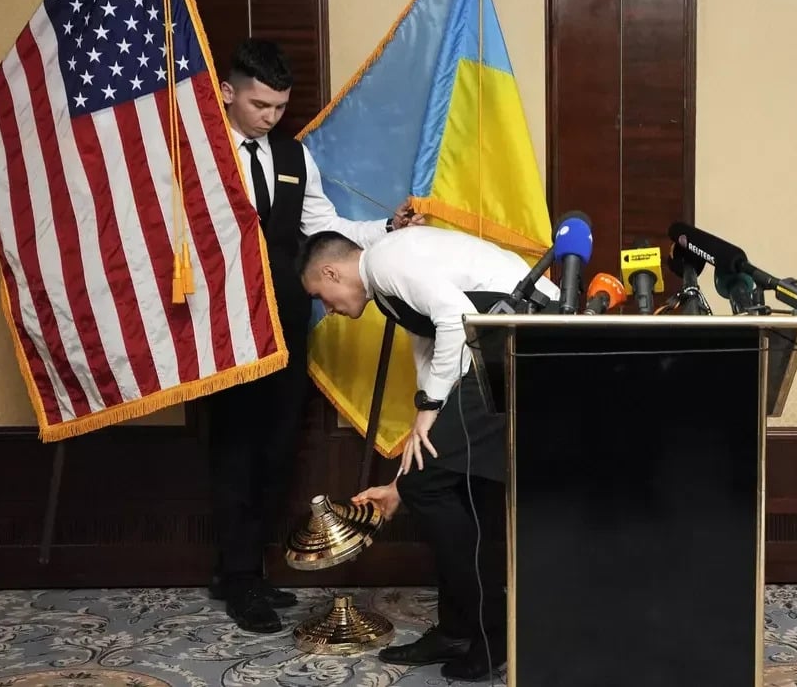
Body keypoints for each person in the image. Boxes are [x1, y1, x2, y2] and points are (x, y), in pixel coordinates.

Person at [207, 38, 422, 633]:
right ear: (227, 93)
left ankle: (249, 569)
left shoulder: (293, 156)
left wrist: (385, 228)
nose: (270, 117)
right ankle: (238, 577)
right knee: (234, 450)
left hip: (285, 322)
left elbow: (325, 229)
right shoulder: (199, 153)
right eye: (259, 105)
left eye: (279, 107)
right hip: (223, 328)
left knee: (276, 448)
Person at [299, 225, 558, 681]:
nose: (328, 308)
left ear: (331, 272)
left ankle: (493, 631)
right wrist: (402, 477)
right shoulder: (385, 292)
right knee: (444, 484)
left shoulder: (386, 261)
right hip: (496, 349)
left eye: (321, 295)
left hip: (522, 340)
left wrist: (429, 411)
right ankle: (458, 630)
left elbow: (454, 317)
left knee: (429, 486)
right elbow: (436, 359)